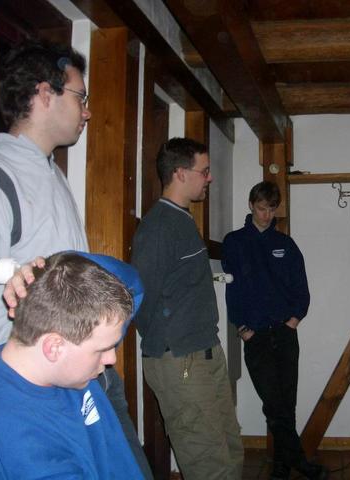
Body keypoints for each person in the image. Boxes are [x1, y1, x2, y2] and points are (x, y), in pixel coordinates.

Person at [0, 40, 153, 478]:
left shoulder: (51, 173)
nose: (88, 111)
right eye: (81, 97)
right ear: (44, 94)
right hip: (51, 390)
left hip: (90, 377)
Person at [0, 252, 144, 479]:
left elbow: (133, 285)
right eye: (102, 349)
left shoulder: (52, 360)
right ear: (54, 348)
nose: (111, 359)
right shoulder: (16, 449)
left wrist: (47, 272)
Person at [131, 137, 244, 479]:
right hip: (180, 359)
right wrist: (171, 340)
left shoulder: (182, 220)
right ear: (180, 173)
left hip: (205, 351)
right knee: (209, 464)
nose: (210, 177)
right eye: (204, 171)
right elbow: (140, 297)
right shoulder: (158, 227)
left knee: (230, 450)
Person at [222, 181, 328, 480]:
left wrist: (294, 320)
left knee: (286, 404)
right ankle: (300, 462)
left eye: (271, 209)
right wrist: (242, 328)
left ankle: (282, 466)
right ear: (251, 205)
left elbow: (301, 287)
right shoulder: (234, 242)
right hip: (255, 335)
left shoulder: (286, 244)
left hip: (284, 334)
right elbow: (232, 291)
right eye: (261, 209)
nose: (266, 215)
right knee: (273, 404)